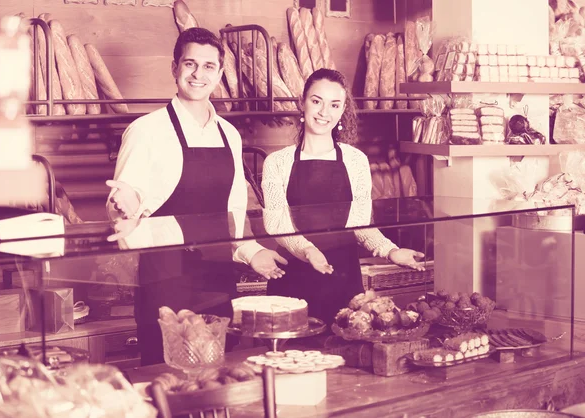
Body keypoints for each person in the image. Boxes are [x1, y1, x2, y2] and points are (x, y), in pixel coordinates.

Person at [106, 28, 287, 365]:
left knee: (216, 371)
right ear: (175, 67)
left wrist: (251, 251)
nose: (198, 74)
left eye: (207, 66)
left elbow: (233, 208)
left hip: (216, 277)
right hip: (164, 276)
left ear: (219, 74)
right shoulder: (146, 130)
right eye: (190, 64)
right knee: (165, 372)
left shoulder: (229, 134)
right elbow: (123, 196)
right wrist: (123, 206)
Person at [261, 68, 425, 325]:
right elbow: (276, 225)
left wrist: (390, 251)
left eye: (334, 105)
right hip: (292, 279)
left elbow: (360, 225)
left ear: (341, 111)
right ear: (302, 103)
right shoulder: (277, 162)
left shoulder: (355, 160)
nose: (324, 112)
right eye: (317, 101)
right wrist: (307, 250)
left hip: (343, 280)